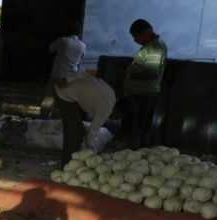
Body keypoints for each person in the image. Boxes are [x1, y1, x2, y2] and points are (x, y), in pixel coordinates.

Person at [123, 19, 167, 149]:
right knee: (140, 125)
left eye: (136, 36)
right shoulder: (151, 46)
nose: (135, 40)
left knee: (141, 126)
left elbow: (152, 73)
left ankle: (139, 151)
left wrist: (131, 74)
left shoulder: (154, 47)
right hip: (142, 93)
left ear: (146, 32)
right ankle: (138, 150)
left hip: (144, 94)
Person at [49, 21, 86, 165]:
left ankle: (68, 154)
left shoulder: (63, 41)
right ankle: (77, 135)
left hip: (58, 80)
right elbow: (81, 60)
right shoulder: (83, 45)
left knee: (64, 114)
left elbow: (50, 49)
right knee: (70, 112)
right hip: (72, 79)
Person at [55, 72, 116, 150]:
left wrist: (67, 79)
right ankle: (69, 155)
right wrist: (90, 146)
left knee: (76, 129)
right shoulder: (106, 110)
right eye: (117, 118)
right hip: (64, 95)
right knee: (73, 132)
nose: (115, 119)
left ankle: (71, 151)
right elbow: (93, 130)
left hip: (64, 84)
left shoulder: (111, 93)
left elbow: (88, 77)